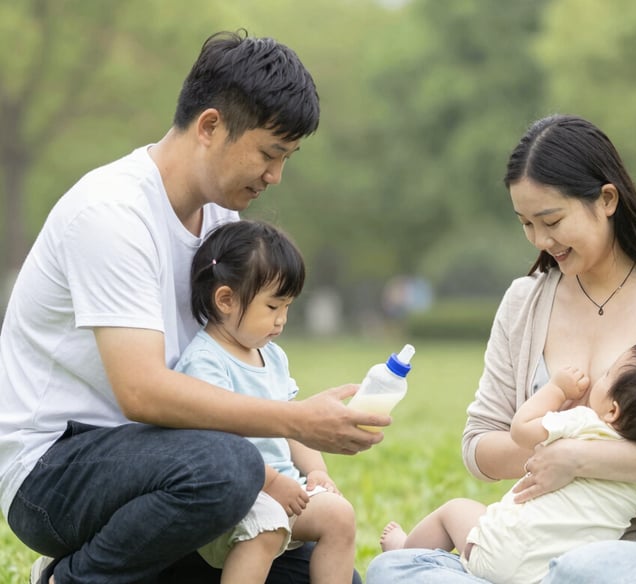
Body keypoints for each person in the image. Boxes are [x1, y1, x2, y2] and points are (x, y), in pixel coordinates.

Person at [0, 30, 385, 584]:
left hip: (171, 473)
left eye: (287, 158)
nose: (275, 176)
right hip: (55, 473)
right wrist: (297, 419)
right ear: (210, 127)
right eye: (270, 154)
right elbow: (142, 391)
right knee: (229, 467)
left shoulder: (224, 227)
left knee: (319, 574)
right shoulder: (112, 213)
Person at [366, 114, 636, 584]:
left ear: (607, 200)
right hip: (539, 549)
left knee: (585, 571)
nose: (541, 240)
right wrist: (549, 446)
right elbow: (478, 442)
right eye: (526, 223)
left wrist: (580, 459)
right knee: (394, 569)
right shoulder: (524, 301)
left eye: (552, 220)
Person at [379, 341, 636, 584]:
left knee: (454, 510)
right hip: (552, 574)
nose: (600, 375)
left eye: (607, 374)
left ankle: (405, 548)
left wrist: (555, 389)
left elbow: (522, 430)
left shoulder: (582, 423)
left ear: (612, 411)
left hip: (498, 550)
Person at [175, 219, 356, 584]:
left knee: (340, 515)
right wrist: (270, 482)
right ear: (225, 299)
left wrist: (316, 471)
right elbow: (219, 444)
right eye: (273, 306)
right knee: (267, 528)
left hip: (284, 489)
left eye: (288, 307)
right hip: (235, 495)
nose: (282, 320)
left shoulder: (271, 356)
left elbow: (293, 425)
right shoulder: (205, 362)